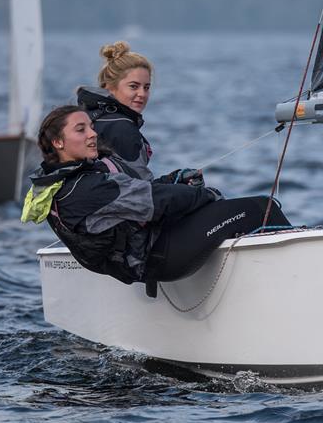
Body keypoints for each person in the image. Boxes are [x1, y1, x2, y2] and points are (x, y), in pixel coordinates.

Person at [22, 105, 291, 297]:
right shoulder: (87, 188)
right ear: (58, 142)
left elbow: (136, 193)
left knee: (222, 212)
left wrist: (173, 180)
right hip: (160, 257)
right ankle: (294, 286)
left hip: (147, 254)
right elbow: (156, 201)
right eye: (81, 130)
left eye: (91, 127)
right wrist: (206, 194)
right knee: (261, 208)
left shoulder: (57, 185)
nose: (92, 134)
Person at [76, 41, 154, 179]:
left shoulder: (86, 116)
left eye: (146, 87)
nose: (142, 94)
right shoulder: (122, 128)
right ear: (109, 87)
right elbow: (143, 188)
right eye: (133, 86)